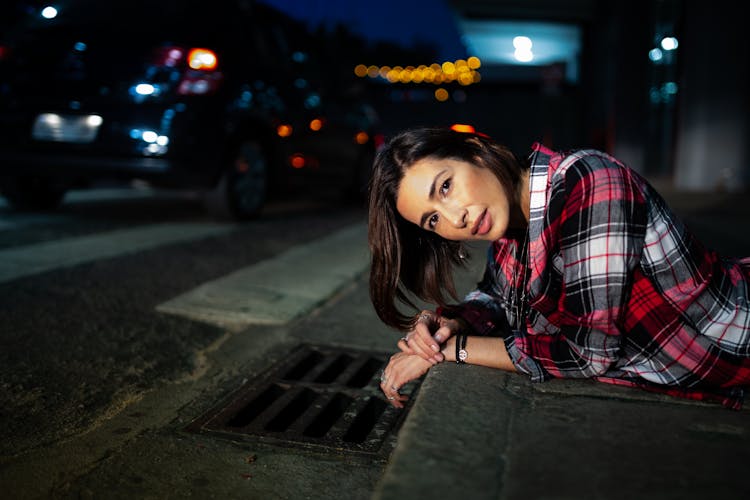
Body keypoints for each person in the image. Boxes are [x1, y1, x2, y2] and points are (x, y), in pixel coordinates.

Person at [368, 126, 750, 410]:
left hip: (735, 340)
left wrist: (456, 349)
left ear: (476, 149)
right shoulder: (511, 226)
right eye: (433, 220)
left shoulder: (588, 184)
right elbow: (496, 296)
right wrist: (451, 324)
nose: (456, 218)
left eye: (446, 187)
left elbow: (588, 353)